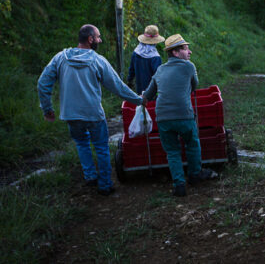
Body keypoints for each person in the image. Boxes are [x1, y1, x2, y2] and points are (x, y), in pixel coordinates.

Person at [38, 24, 143, 196]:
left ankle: (90, 177)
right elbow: (117, 87)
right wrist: (139, 100)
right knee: (101, 147)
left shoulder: (60, 58)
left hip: (70, 115)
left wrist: (47, 108)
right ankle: (105, 185)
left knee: (82, 144)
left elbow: (43, 83)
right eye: (98, 37)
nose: (100, 40)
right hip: (94, 114)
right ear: (90, 39)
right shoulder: (97, 60)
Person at [142, 34, 216, 197]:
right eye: (185, 48)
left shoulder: (160, 70)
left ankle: (179, 185)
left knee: (172, 151)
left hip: (162, 117)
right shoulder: (188, 66)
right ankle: (195, 175)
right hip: (183, 114)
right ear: (175, 52)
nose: (189, 52)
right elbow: (194, 86)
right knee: (192, 143)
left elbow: (148, 94)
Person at [127, 25, 164, 93]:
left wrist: (130, 80)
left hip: (139, 88)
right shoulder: (155, 57)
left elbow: (131, 70)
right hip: (152, 91)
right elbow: (158, 76)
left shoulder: (136, 52)